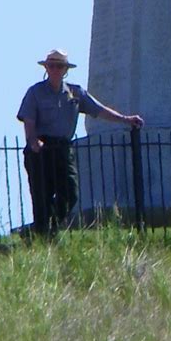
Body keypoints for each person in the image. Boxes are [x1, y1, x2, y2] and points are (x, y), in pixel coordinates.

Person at [17, 49, 144, 237]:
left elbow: (99, 110)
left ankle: (43, 228)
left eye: (59, 66)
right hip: (40, 150)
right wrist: (33, 141)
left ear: (65, 69)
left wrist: (125, 119)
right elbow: (29, 120)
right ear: (46, 68)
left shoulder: (75, 93)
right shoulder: (35, 92)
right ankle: (42, 234)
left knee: (70, 192)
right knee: (41, 195)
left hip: (63, 149)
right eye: (51, 65)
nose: (55, 69)